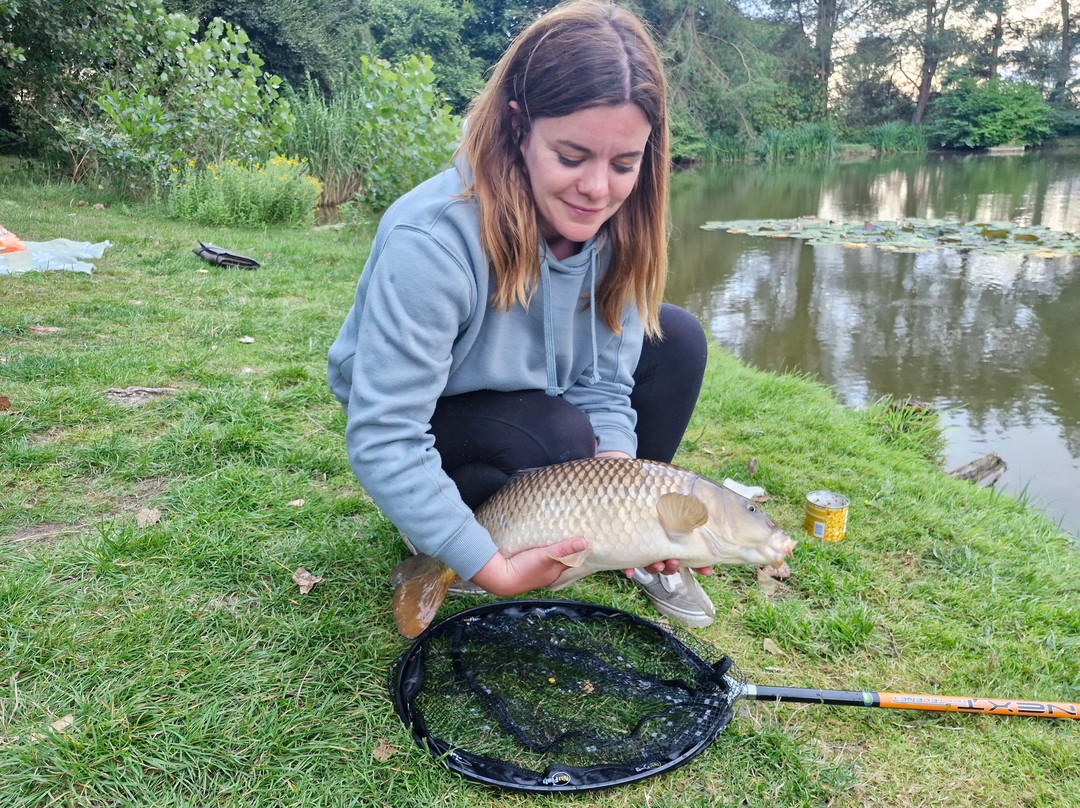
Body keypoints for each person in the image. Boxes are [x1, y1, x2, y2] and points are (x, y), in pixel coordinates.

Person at [327, 0, 711, 626]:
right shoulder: (431, 240)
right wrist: (491, 568)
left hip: (540, 407)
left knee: (679, 341)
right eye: (571, 157)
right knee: (558, 434)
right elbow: (384, 433)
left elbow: (606, 388)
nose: (598, 190)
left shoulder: (618, 230)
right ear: (517, 126)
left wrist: (625, 497)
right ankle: (453, 537)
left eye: (624, 164)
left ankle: (630, 549)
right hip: (440, 423)